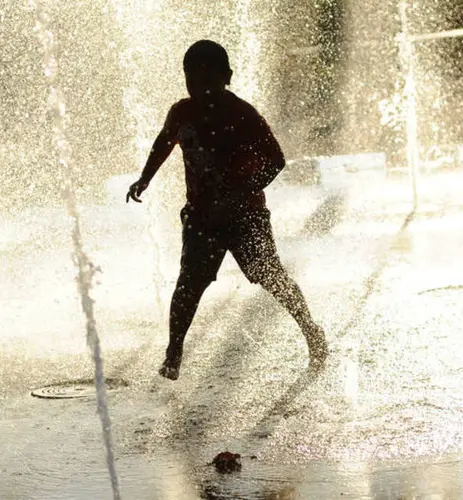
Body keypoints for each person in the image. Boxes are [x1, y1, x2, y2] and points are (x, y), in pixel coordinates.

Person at [126, 40, 329, 380]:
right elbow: (164, 141)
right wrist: (145, 178)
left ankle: (310, 329)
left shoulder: (242, 114)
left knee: (272, 277)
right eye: (193, 79)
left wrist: (243, 191)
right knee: (189, 284)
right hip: (201, 218)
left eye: (209, 80)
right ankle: (174, 349)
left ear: (227, 77)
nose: (201, 88)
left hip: (244, 217)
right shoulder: (182, 113)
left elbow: (276, 160)